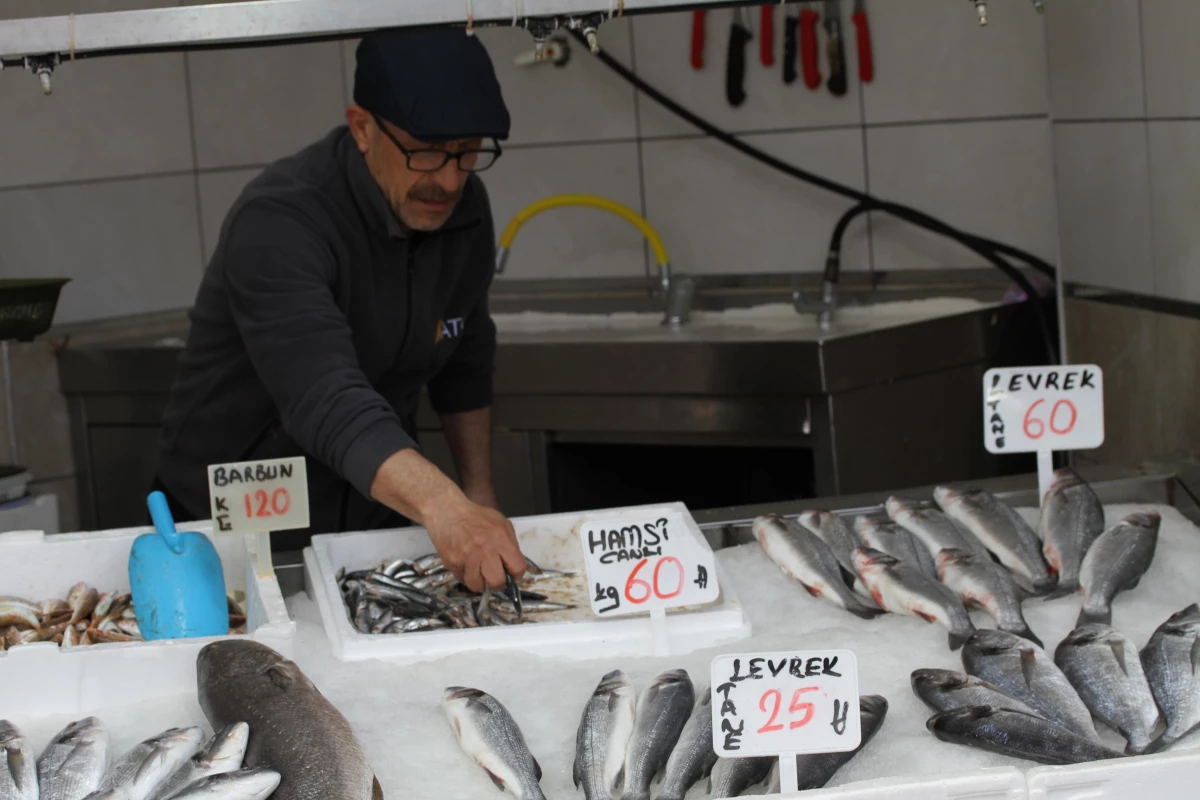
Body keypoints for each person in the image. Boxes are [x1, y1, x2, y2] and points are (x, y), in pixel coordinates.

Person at [154, 28, 525, 591]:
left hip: (372, 512)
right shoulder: (280, 220)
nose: (448, 180)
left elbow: (464, 353)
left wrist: (477, 495)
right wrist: (443, 506)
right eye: (425, 152)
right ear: (362, 128)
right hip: (237, 522)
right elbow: (323, 396)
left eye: (468, 151)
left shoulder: (462, 205)